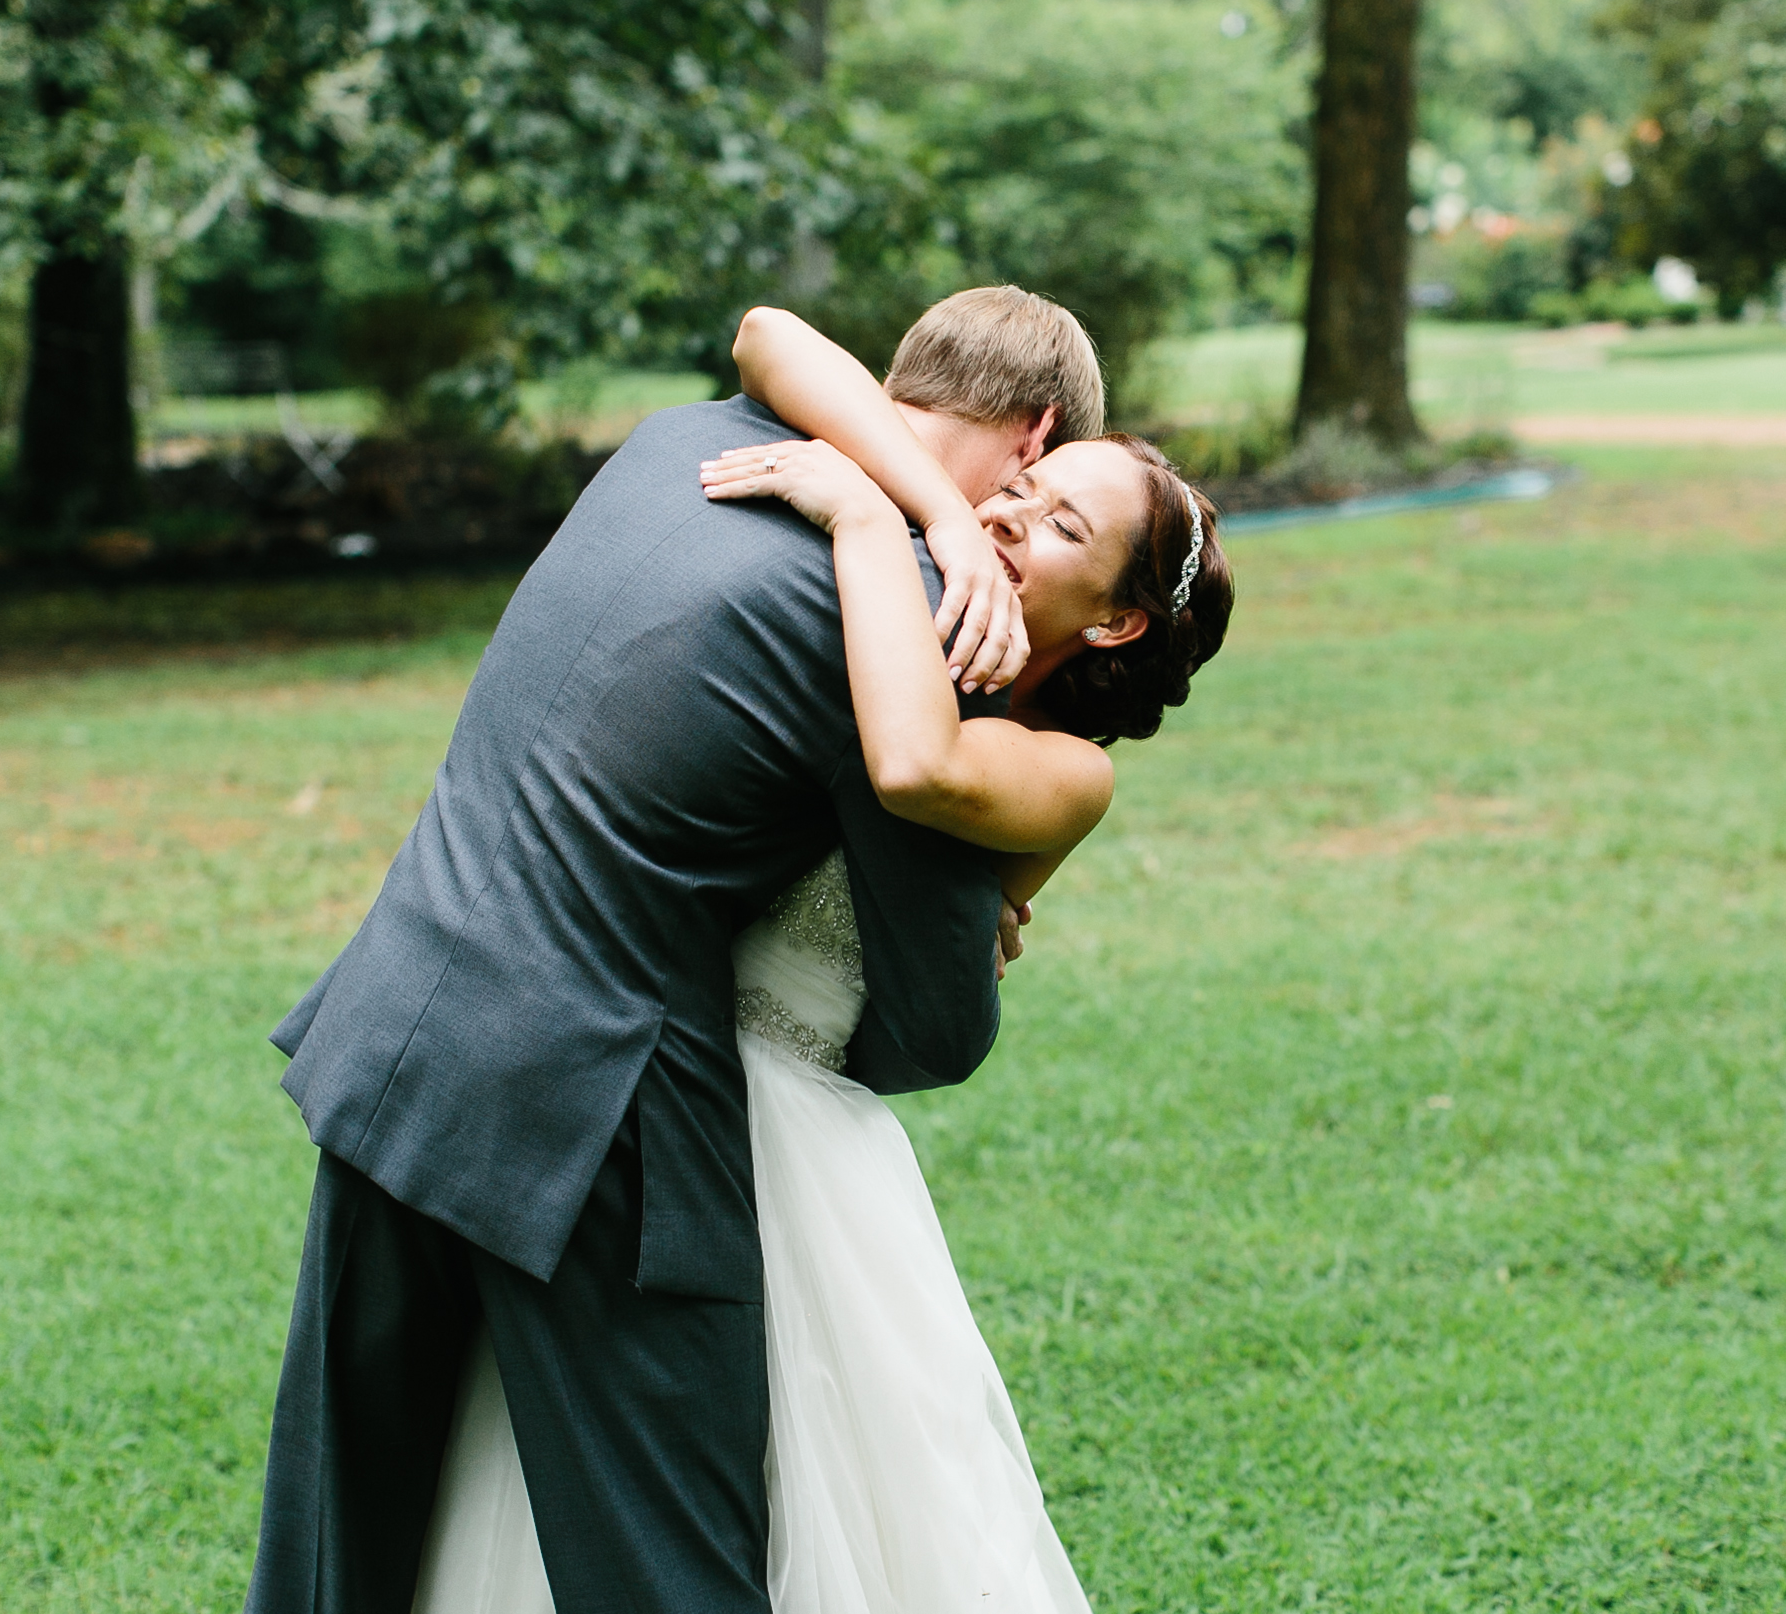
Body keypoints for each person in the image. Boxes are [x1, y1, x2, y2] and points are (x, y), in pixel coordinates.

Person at [244, 286, 1104, 1614]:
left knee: (343, 1549)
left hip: (397, 1016)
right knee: (673, 1564)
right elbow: (930, 1029)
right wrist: (976, 887)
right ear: (1036, 438)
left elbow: (767, 331)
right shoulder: (922, 619)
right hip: (600, 1112)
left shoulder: (676, 442)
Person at [406, 307, 1234, 1613]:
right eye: (1024, 491)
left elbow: (910, 772)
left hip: (786, 1126)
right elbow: (771, 335)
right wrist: (933, 516)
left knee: (807, 1513)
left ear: (1123, 625)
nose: (1013, 518)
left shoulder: (1060, 767)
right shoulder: (920, 570)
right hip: (654, 1069)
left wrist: (862, 520)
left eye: (1062, 526)